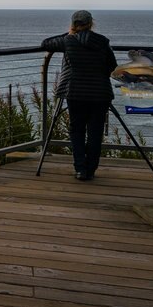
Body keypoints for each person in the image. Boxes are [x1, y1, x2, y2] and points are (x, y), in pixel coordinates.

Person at [42, 10, 118, 181]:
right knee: (95, 131)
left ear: (73, 24)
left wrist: (69, 33)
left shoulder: (68, 41)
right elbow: (112, 66)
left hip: (75, 92)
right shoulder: (103, 41)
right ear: (91, 23)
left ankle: (80, 170)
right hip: (100, 93)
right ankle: (91, 170)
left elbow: (45, 43)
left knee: (76, 130)